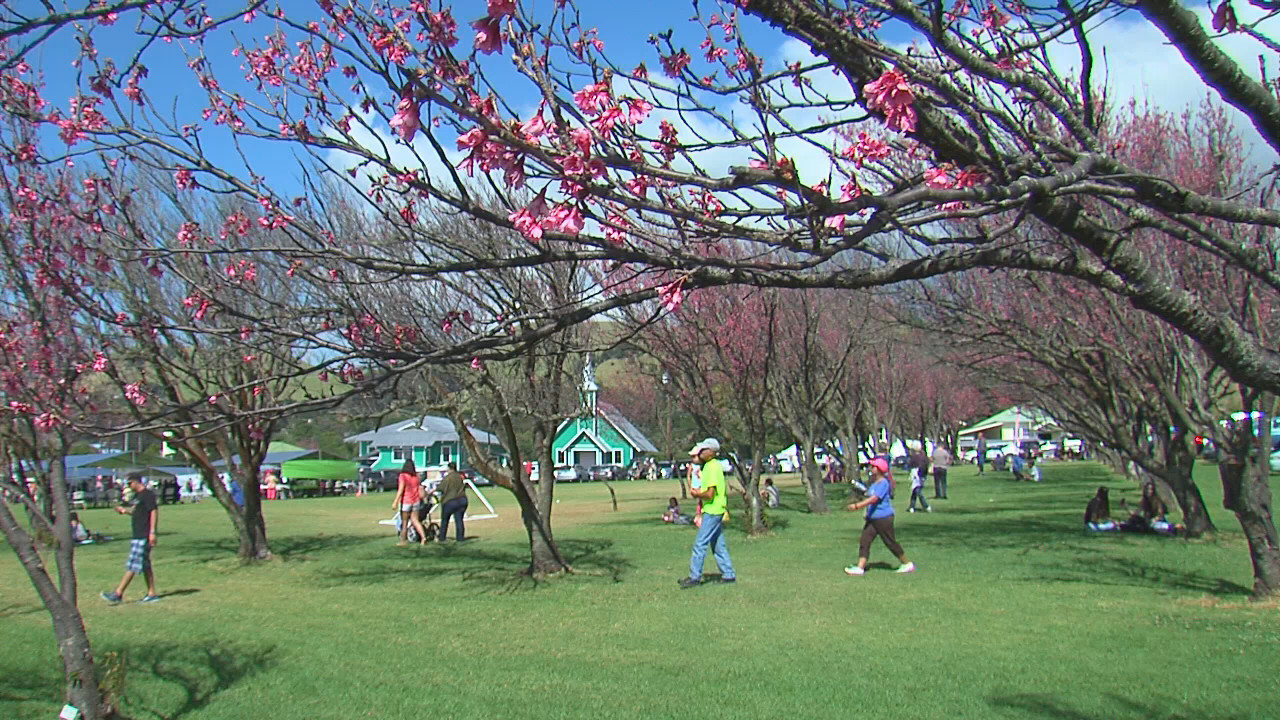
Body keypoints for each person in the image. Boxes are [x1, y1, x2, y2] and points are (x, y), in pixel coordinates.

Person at [678, 438, 736, 588]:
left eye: (703, 450)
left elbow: (710, 494)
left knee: (700, 544)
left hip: (713, 510)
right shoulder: (710, 466)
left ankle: (695, 576)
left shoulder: (712, 468)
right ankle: (728, 574)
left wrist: (697, 494)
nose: (700, 452)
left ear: (711, 452)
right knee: (718, 544)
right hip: (714, 509)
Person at [845, 458, 915, 576]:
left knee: (890, 542)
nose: (871, 469)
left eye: (873, 467)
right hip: (873, 519)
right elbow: (869, 494)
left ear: (880, 469)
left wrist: (857, 506)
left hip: (883, 518)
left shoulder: (884, 483)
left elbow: (874, 499)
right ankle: (860, 567)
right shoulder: (874, 484)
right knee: (865, 540)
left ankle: (907, 563)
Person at [101, 473, 160, 604]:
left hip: (143, 535)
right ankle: (152, 593)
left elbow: (154, 512)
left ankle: (118, 593)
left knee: (132, 564)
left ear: (135, 482)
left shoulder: (147, 495)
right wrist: (124, 511)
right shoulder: (138, 497)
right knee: (145, 565)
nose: (128, 486)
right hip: (137, 534)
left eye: (129, 483)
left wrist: (152, 532)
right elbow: (136, 512)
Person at [391, 459, 429, 547]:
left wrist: (395, 501)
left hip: (406, 501)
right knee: (415, 520)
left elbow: (401, 490)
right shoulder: (416, 476)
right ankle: (423, 538)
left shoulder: (403, 476)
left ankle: (403, 540)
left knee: (404, 522)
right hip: (416, 501)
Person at [436, 462, 469, 542]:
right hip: (462, 500)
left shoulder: (447, 478)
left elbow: (441, 488)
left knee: (445, 520)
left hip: (450, 501)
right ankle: (460, 538)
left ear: (449, 468)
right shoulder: (460, 477)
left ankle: (442, 537)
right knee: (459, 520)